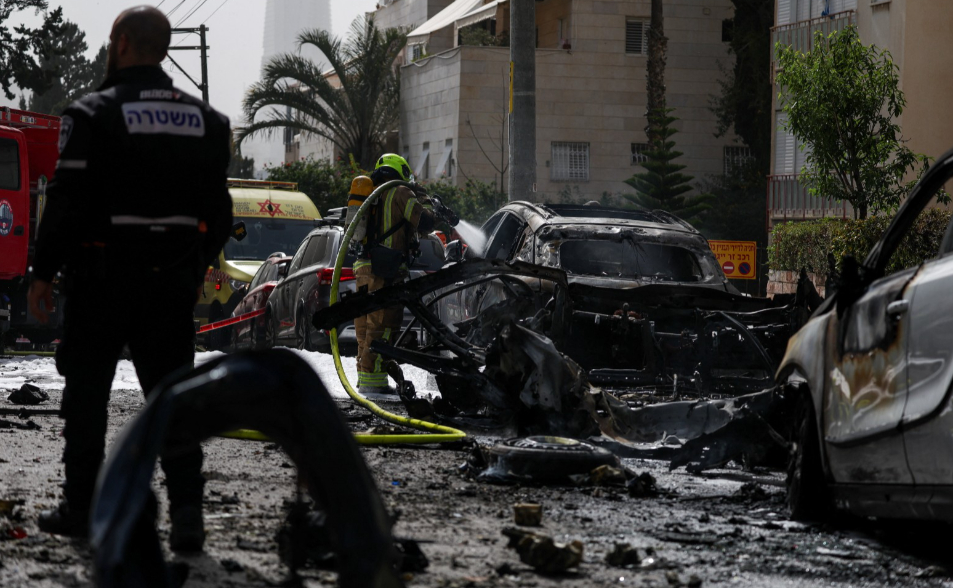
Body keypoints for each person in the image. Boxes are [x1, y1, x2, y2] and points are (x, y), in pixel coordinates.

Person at [27, 6, 232, 551]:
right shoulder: (209, 122)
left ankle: (82, 509)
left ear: (119, 44)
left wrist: (42, 273)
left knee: (87, 396)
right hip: (169, 287)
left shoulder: (92, 114)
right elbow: (221, 213)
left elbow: (66, 204)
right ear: (162, 49)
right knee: (173, 398)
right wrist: (191, 268)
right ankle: (188, 516)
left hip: (100, 281)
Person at [353, 154, 435, 395]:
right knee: (384, 324)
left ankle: (365, 376)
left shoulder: (370, 193)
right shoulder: (401, 192)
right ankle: (373, 380)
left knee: (365, 324)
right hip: (386, 270)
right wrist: (425, 199)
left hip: (362, 267)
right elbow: (426, 223)